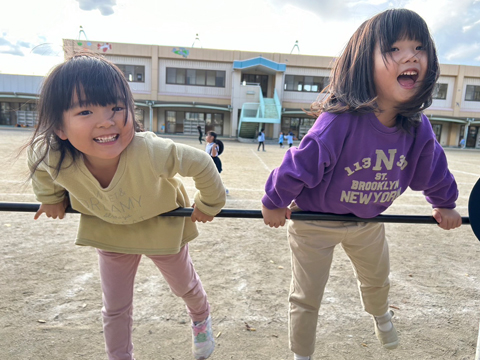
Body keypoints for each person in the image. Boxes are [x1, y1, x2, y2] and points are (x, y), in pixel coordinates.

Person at [260, 9, 462, 360]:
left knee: (377, 279)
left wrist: (445, 203)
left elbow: (434, 170)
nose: (410, 55)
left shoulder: (417, 127)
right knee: (306, 296)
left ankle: (381, 314)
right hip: (314, 223)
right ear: (363, 62)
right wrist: (274, 200)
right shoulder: (338, 121)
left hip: (368, 222)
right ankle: (301, 355)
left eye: (418, 47)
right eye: (395, 49)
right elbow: (301, 162)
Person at [25, 52, 226, 360]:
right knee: (115, 307)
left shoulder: (150, 150)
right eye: (85, 112)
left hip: (161, 227)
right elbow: (37, 164)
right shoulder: (55, 156)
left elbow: (201, 162)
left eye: (117, 107)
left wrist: (210, 203)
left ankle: (200, 317)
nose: (106, 120)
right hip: (110, 233)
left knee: (185, 287)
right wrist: (50, 197)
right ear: (60, 128)